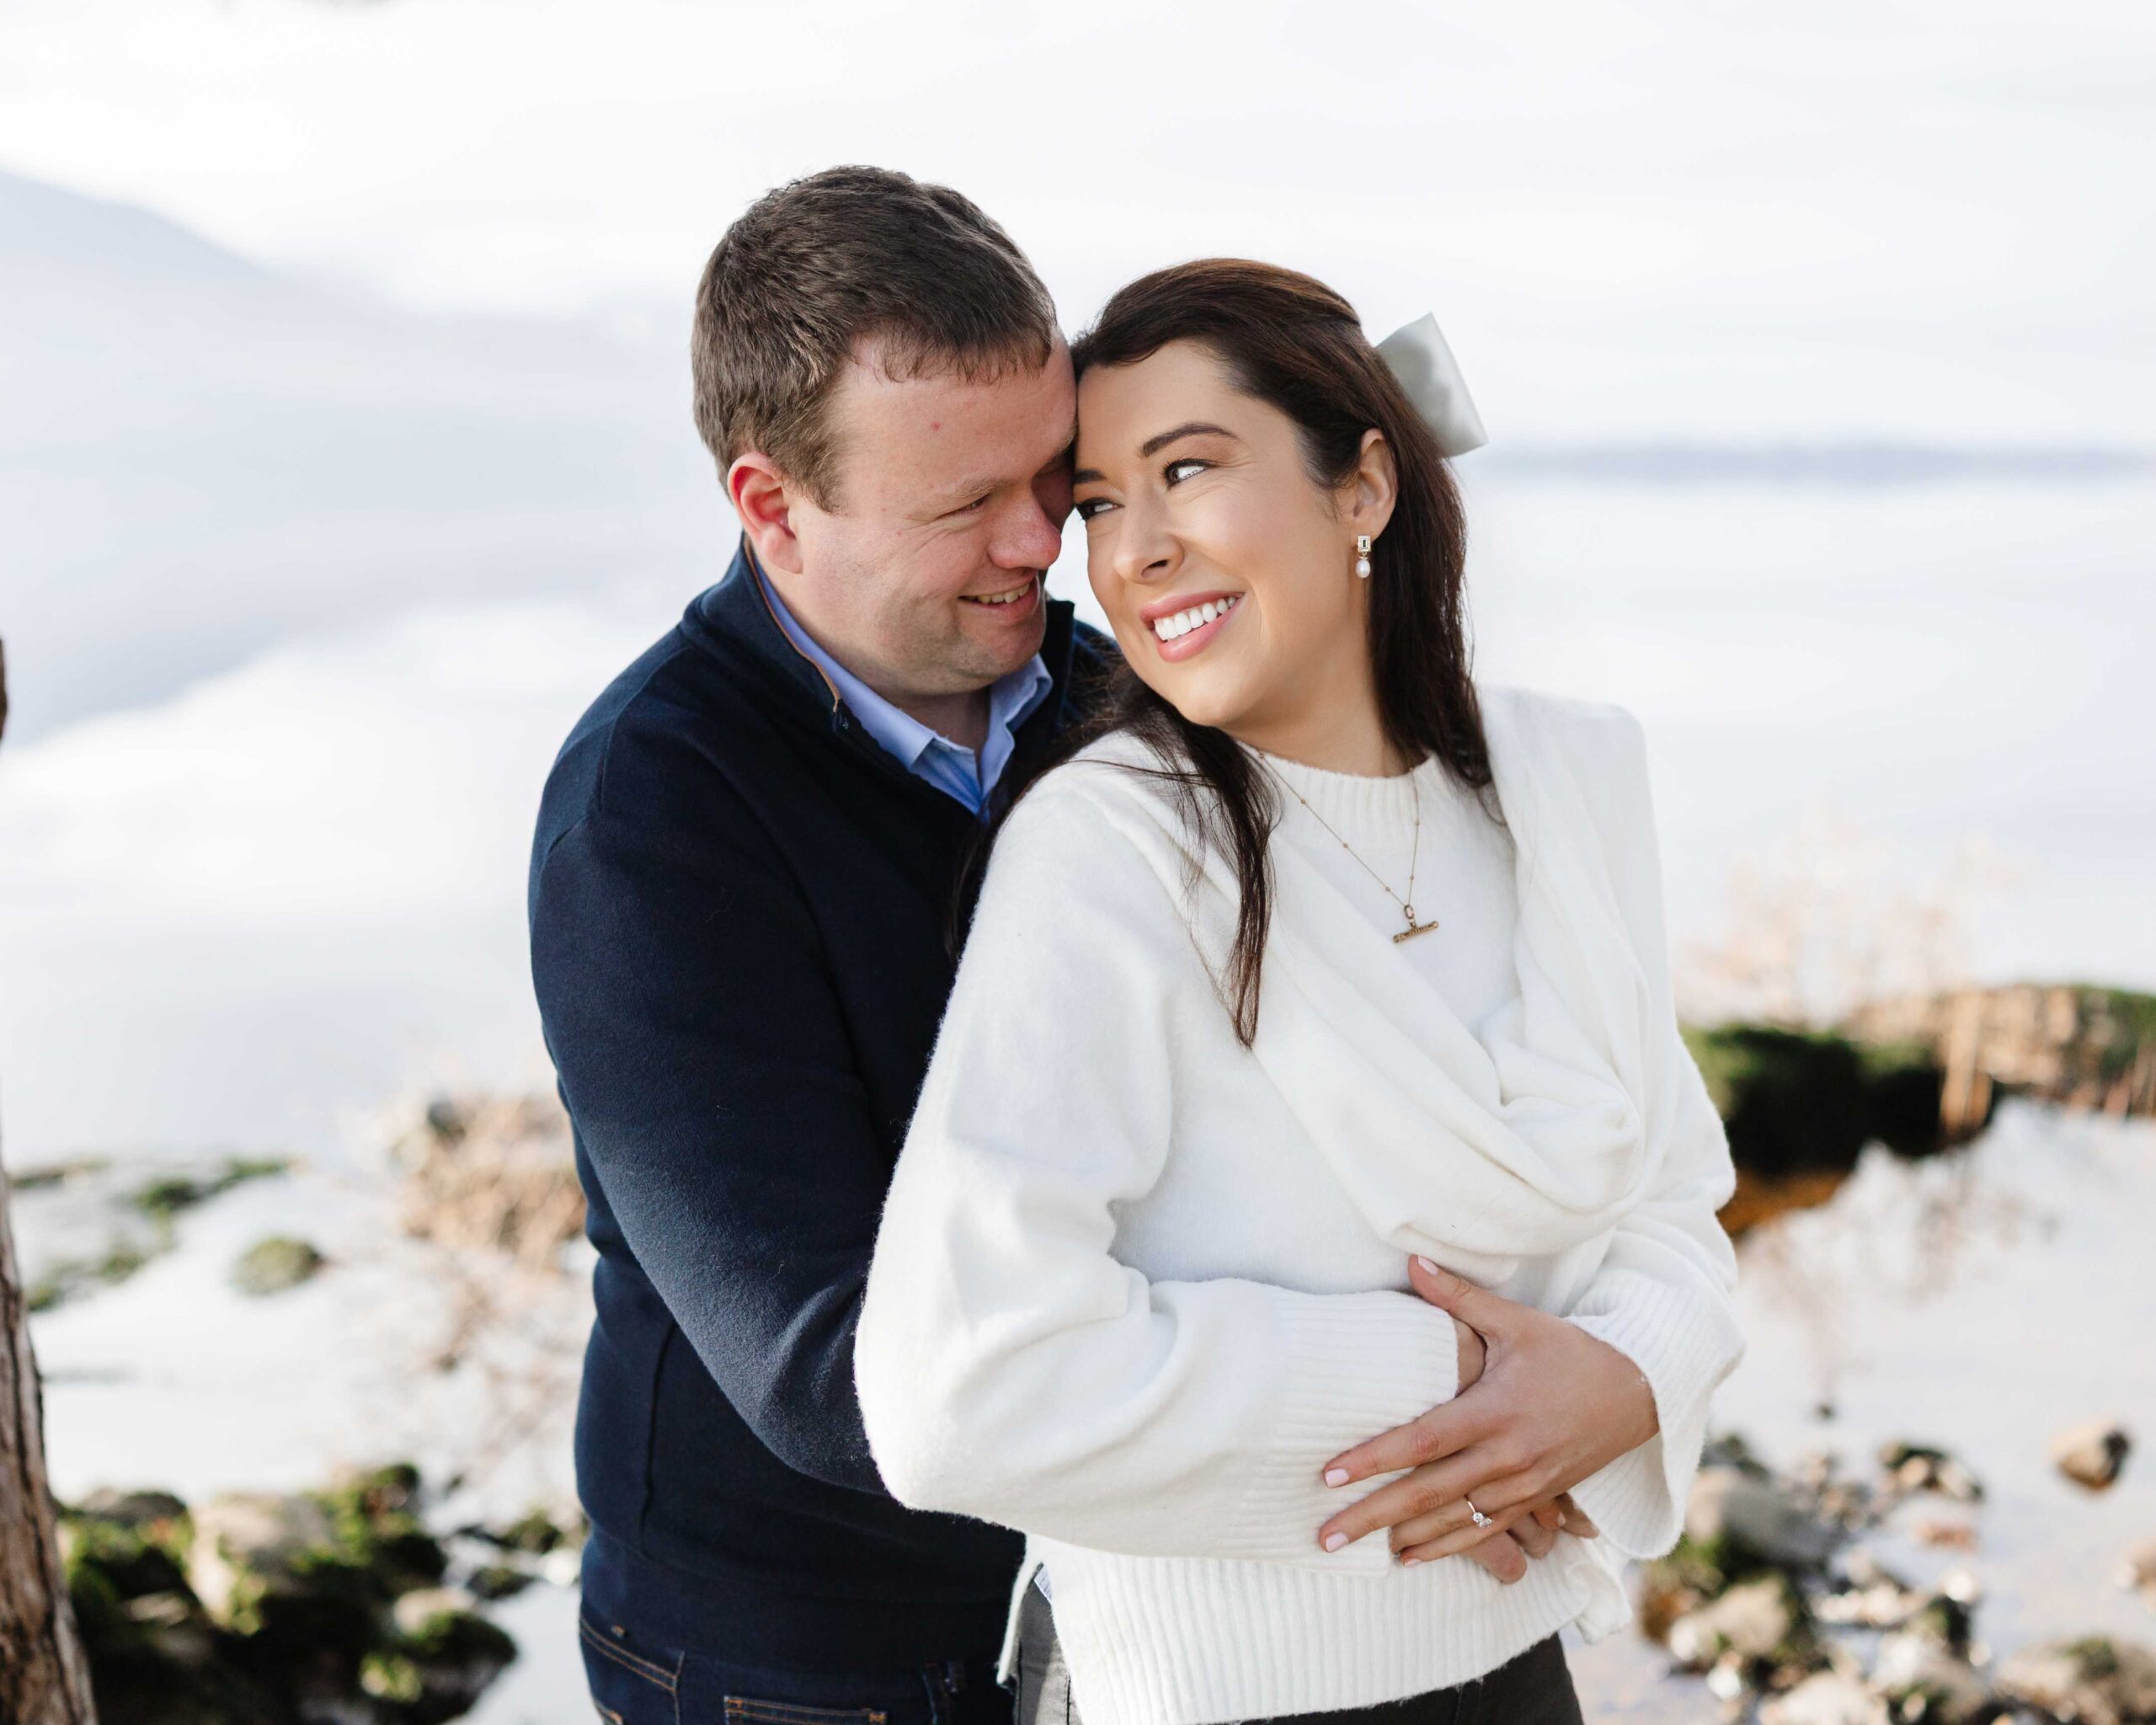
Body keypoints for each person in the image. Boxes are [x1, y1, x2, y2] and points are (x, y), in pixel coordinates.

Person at [528, 173, 1574, 1725]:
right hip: (806, 1659)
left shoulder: (1131, 713)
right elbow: (833, 1370)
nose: (1042, 545)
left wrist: (1586, 1371)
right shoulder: (651, 819)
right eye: (963, 507)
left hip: (1143, 1593)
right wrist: (1477, 1400)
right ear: (772, 507)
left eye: (1055, 481)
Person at [852, 259, 1748, 1725]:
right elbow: (962, 1386)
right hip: (1200, 1694)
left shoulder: (1563, 784)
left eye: (1186, 471)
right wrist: (1458, 1387)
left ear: (1365, 489)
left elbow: (1671, 1196)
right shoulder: (1115, 854)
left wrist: (1627, 1379)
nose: (1131, 551)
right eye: (1096, 506)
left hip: (1512, 1669)